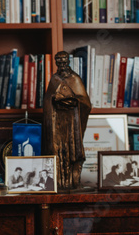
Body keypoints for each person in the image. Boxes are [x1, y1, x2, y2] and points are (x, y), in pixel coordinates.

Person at [43, 51, 92, 190]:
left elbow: (86, 103)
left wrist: (73, 101)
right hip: (56, 123)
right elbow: (47, 101)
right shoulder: (54, 79)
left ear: (68, 62)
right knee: (56, 151)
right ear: (56, 63)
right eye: (59, 62)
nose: (62, 65)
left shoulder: (74, 78)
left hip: (72, 122)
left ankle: (73, 181)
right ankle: (58, 182)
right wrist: (53, 99)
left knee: (72, 151)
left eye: (64, 62)